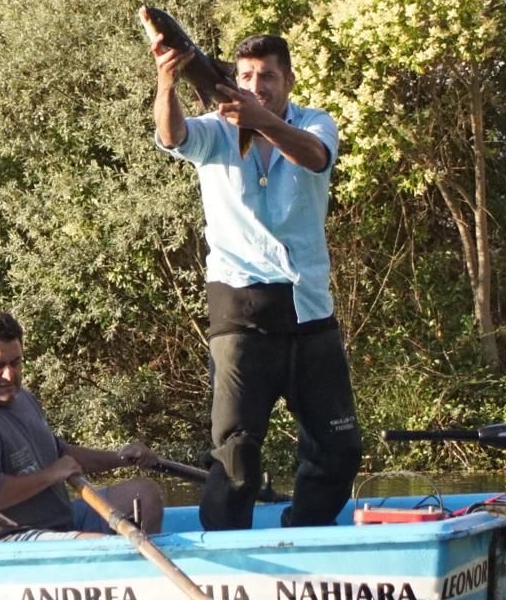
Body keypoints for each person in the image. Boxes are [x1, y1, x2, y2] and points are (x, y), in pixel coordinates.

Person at [149, 29, 361, 531]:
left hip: (309, 306)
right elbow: (173, 138)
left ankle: (304, 533)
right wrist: (166, 84)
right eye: (246, 76)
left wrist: (261, 121)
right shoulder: (216, 129)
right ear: (233, 78)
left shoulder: (314, 123)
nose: (255, 84)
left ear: (287, 79)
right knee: (237, 454)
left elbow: (314, 156)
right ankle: (225, 554)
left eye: (267, 76)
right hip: (239, 306)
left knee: (340, 447)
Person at [0, 310, 165, 542]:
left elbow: (59, 455)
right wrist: (53, 474)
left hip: (58, 520)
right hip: (3, 540)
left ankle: (139, 574)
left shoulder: (20, 397)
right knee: (98, 547)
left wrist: (122, 457)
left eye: (15, 363)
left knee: (145, 495)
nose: (9, 375)